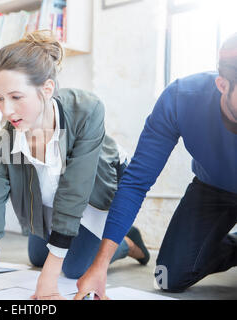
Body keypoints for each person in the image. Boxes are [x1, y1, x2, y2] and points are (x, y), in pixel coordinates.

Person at [0, 30, 149, 300]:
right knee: (37, 255)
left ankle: (125, 241)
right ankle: (78, 243)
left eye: (16, 97)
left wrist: (49, 279)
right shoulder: (5, 141)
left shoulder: (87, 110)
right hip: (55, 202)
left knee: (72, 267)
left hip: (95, 195)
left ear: (47, 89)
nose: (6, 111)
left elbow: (75, 190)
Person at [75, 34, 237, 299]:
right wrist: (100, 264)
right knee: (168, 276)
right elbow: (136, 181)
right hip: (213, 188)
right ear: (222, 84)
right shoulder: (181, 99)